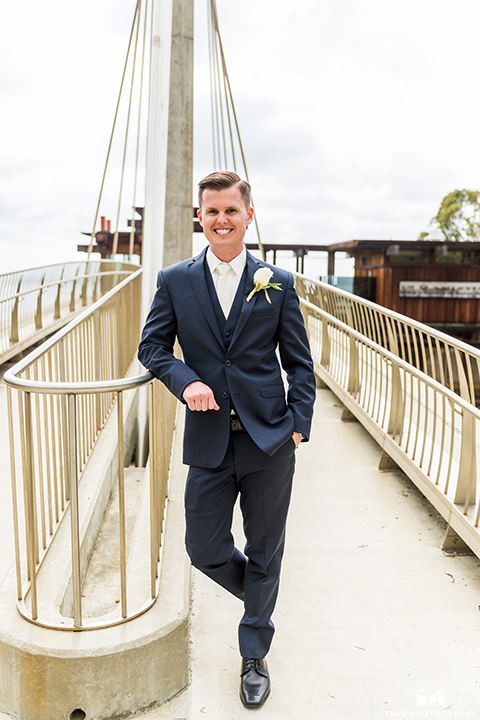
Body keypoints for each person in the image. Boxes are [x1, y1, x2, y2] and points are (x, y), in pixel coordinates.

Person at [138, 171, 316, 709]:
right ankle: (260, 599)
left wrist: (298, 424)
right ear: (200, 216)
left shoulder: (277, 283)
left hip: (269, 443)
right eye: (211, 211)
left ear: (248, 216)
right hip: (210, 441)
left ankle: (254, 652)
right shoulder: (174, 280)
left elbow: (299, 363)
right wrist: (185, 380)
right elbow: (152, 349)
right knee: (204, 549)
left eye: (230, 212)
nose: (220, 220)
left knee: (266, 547)